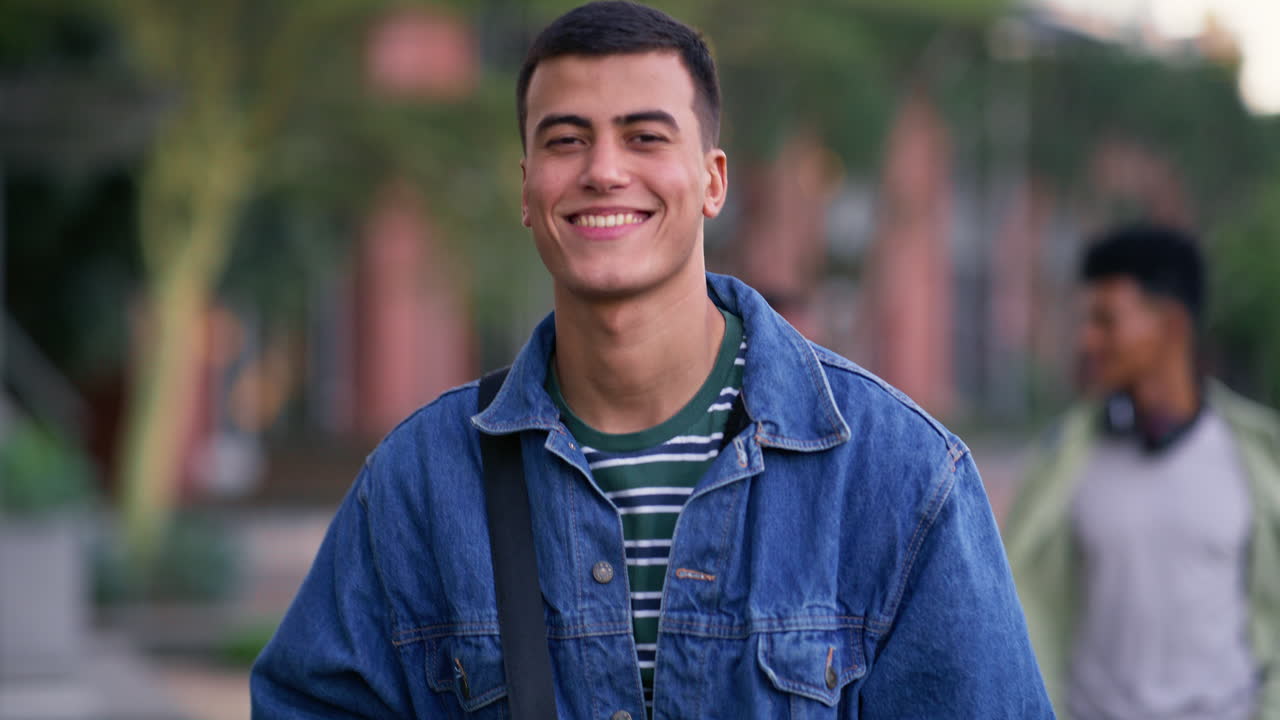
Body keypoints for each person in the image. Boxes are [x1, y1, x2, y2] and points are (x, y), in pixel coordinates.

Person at [251, 2, 1051, 717]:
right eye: (566, 140)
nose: (603, 170)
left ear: (712, 180)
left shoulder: (898, 476)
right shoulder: (421, 481)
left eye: (645, 136)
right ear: (527, 188)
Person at [1003, 223, 1280, 720]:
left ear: (1171, 324)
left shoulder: (1256, 460)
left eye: (1106, 321)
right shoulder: (1061, 460)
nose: (1088, 339)